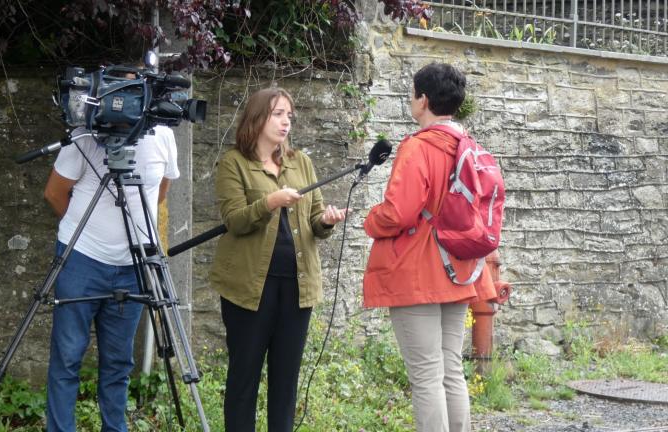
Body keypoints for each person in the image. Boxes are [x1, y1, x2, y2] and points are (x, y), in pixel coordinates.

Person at [362, 63, 496, 432]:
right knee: (450, 368)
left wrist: (370, 220)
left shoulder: (419, 147)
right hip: (458, 267)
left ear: (422, 100)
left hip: (417, 271)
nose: (411, 100)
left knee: (425, 376)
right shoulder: (468, 146)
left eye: (412, 94)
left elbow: (398, 213)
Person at [209, 87, 347, 431]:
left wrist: (326, 221)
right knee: (244, 377)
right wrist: (270, 202)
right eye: (278, 114)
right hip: (249, 289)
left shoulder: (301, 162)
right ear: (258, 118)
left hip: (297, 288)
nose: (286, 121)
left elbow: (314, 219)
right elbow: (235, 220)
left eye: (289, 115)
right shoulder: (234, 163)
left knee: (286, 379)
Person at [43, 124, 179, 432]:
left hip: (133, 264)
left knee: (119, 362)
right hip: (81, 260)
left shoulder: (164, 136)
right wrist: (88, 233)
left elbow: (159, 192)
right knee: (67, 356)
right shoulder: (87, 132)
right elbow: (54, 192)